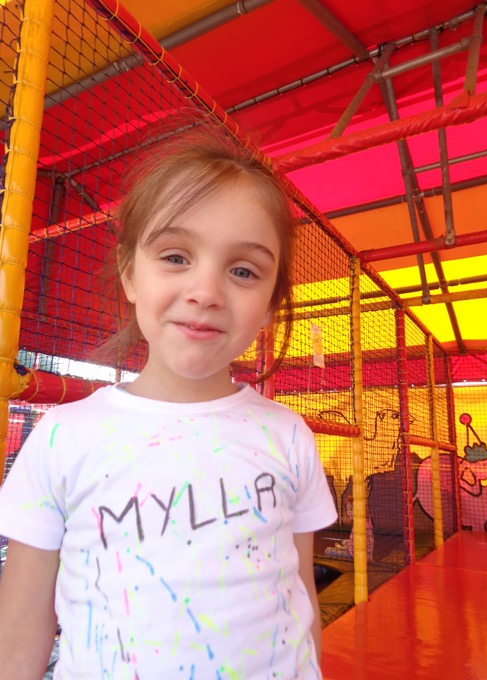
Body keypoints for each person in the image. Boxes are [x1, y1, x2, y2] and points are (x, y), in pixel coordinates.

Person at [0, 128, 338, 679]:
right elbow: (18, 636)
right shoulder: (64, 436)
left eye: (243, 271)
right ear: (131, 274)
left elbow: (299, 596)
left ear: (270, 305)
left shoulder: (287, 434)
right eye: (176, 257)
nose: (206, 292)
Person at [325, 496, 374, 561]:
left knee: (328, 551)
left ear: (357, 509)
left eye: (351, 509)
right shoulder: (364, 520)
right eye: (347, 509)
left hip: (354, 556)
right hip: (356, 551)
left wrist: (341, 548)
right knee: (344, 541)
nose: (348, 512)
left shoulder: (360, 524)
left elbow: (355, 549)